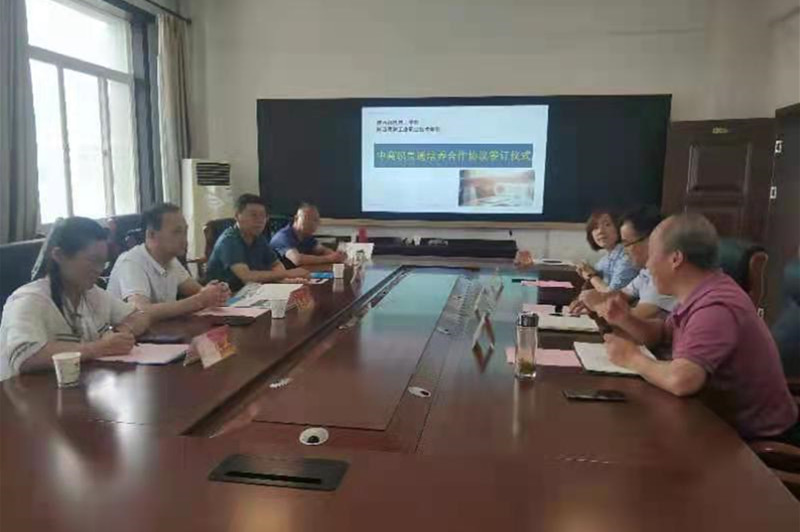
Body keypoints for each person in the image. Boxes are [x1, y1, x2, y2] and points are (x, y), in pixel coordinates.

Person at [599, 213, 798, 441]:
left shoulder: (716, 306)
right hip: (713, 421)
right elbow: (662, 333)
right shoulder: (700, 292)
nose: (647, 264)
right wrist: (625, 319)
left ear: (675, 259)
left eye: (652, 254)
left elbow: (683, 380)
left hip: (756, 443)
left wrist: (632, 358)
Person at [0, 217, 150, 380]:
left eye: (103, 263)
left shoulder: (92, 293)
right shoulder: (28, 300)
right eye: (92, 261)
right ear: (59, 255)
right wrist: (99, 347)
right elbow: (26, 357)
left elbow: (139, 316)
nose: (99, 270)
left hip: (76, 387)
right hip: (25, 392)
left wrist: (120, 334)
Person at [108, 203, 231, 320]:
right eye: (177, 232)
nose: (184, 239)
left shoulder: (170, 260)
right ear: (151, 234)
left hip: (162, 330)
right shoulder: (131, 262)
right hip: (125, 333)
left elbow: (198, 291)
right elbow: (141, 311)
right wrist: (200, 300)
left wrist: (215, 293)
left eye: (185, 231)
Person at [574, 206, 676, 319]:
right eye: (595, 227)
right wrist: (593, 299)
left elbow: (636, 318)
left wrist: (597, 305)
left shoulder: (664, 275)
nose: (625, 250)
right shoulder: (646, 271)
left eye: (627, 244)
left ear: (651, 240)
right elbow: (621, 294)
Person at [205, 194, 310, 292]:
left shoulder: (258, 237)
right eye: (253, 215)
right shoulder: (229, 240)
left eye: (263, 216)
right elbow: (247, 277)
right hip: (225, 295)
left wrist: (284, 281)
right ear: (237, 216)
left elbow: (275, 264)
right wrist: (287, 274)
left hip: (252, 291)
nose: (260, 220)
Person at [575, 210, 639, 292]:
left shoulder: (627, 255)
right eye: (595, 227)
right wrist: (585, 271)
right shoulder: (604, 260)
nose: (600, 231)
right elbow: (597, 283)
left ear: (619, 227)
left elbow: (612, 294)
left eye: (607, 225)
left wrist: (591, 275)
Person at [270, 203, 346, 267]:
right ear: (296, 219)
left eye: (316, 220)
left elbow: (321, 250)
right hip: (278, 277)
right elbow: (297, 259)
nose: (312, 224)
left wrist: (336, 255)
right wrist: (329, 258)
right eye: (308, 219)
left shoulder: (306, 235)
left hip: (297, 274)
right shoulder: (283, 236)